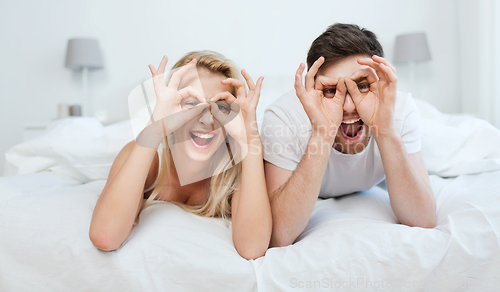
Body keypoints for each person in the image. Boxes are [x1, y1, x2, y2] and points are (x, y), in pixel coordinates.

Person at [262, 23, 436, 247]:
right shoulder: (284, 116)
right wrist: (322, 133)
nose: (348, 106)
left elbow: (423, 219)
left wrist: (384, 129)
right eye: (331, 90)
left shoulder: (400, 109)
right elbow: (279, 235)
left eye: (362, 86)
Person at [89, 51, 272, 260]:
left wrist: (249, 142)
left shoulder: (237, 167)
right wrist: (156, 127)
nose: (208, 120)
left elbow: (252, 249)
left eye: (220, 107)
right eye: (192, 103)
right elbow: (105, 237)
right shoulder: (148, 155)